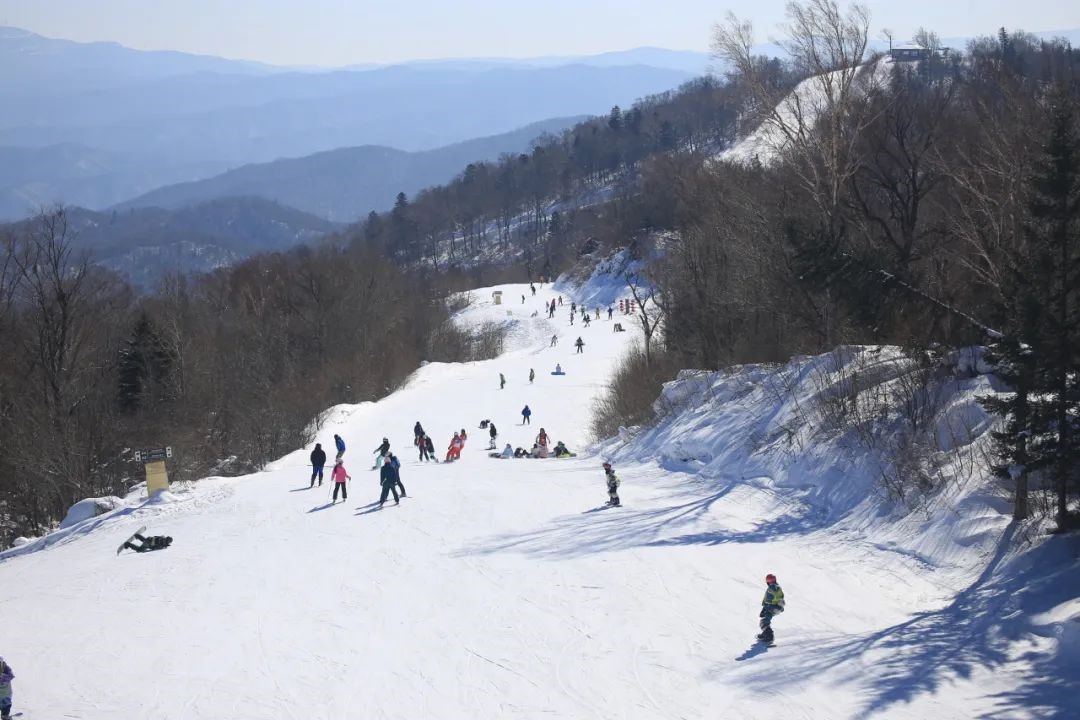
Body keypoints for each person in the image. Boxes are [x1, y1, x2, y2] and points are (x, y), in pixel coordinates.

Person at [757, 574, 786, 643]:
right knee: (764, 621)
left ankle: (770, 637)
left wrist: (765, 608)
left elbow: (770, 599)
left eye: (770, 580)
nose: (770, 582)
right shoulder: (775, 586)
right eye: (769, 580)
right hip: (775, 607)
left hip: (773, 607)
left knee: (764, 622)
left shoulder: (773, 587)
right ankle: (765, 634)